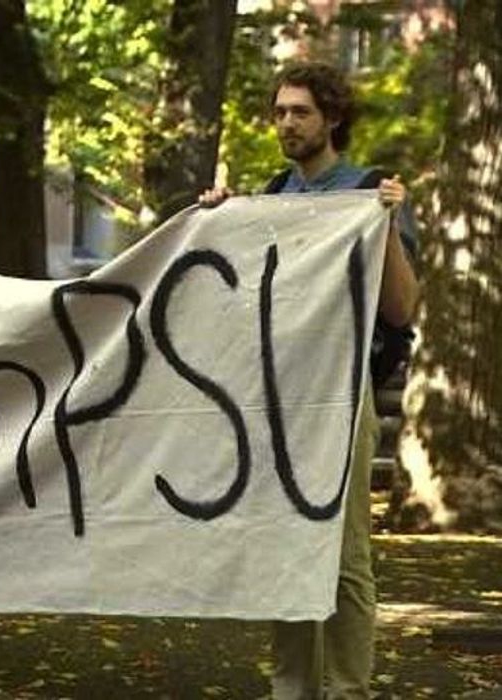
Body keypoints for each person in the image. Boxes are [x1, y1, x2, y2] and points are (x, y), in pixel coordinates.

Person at [199, 61, 419, 699]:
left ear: (333, 118)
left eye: (300, 111)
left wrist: (387, 228)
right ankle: (291, 689)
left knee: (347, 555)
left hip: (341, 396)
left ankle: (347, 689)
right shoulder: (273, 196)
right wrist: (219, 223)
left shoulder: (370, 191)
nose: (286, 123)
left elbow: (403, 309)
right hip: (280, 397)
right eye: (279, 112)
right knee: (286, 544)